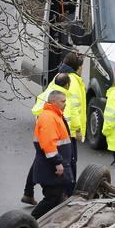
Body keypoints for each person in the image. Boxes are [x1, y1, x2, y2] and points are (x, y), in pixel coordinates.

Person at [22, 72, 81, 205]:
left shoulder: (47, 93)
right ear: (67, 85)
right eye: (63, 102)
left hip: (50, 136)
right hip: (57, 138)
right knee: (53, 194)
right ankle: (66, 195)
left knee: (39, 164)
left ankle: (28, 192)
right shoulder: (63, 99)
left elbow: (36, 110)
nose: (65, 104)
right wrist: (77, 130)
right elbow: (74, 115)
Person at [31, 90, 74, 219]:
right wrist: (57, 163)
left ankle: (42, 223)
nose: (65, 104)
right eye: (63, 101)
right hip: (50, 168)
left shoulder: (54, 115)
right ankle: (31, 221)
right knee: (52, 198)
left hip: (51, 167)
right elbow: (49, 144)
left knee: (56, 198)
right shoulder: (49, 117)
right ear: (54, 102)